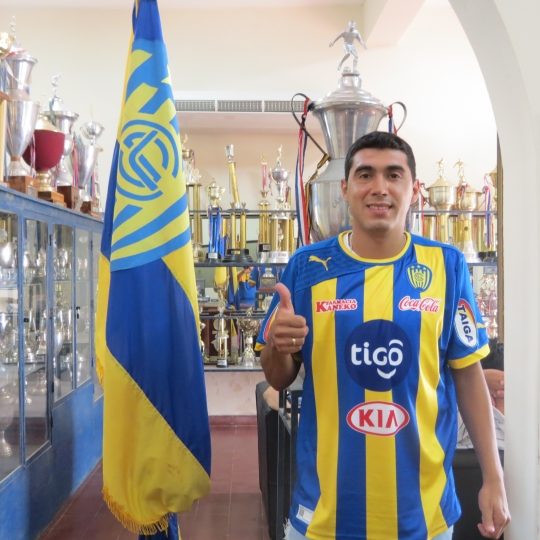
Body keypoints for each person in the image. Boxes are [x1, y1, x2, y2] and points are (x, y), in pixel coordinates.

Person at [256, 131, 510, 540]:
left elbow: (468, 376)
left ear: (414, 189)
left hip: (422, 517)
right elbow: (277, 376)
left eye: (393, 175)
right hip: (324, 517)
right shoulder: (306, 267)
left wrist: (494, 478)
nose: (379, 187)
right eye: (365, 175)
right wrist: (277, 345)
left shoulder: (446, 267)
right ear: (345, 188)